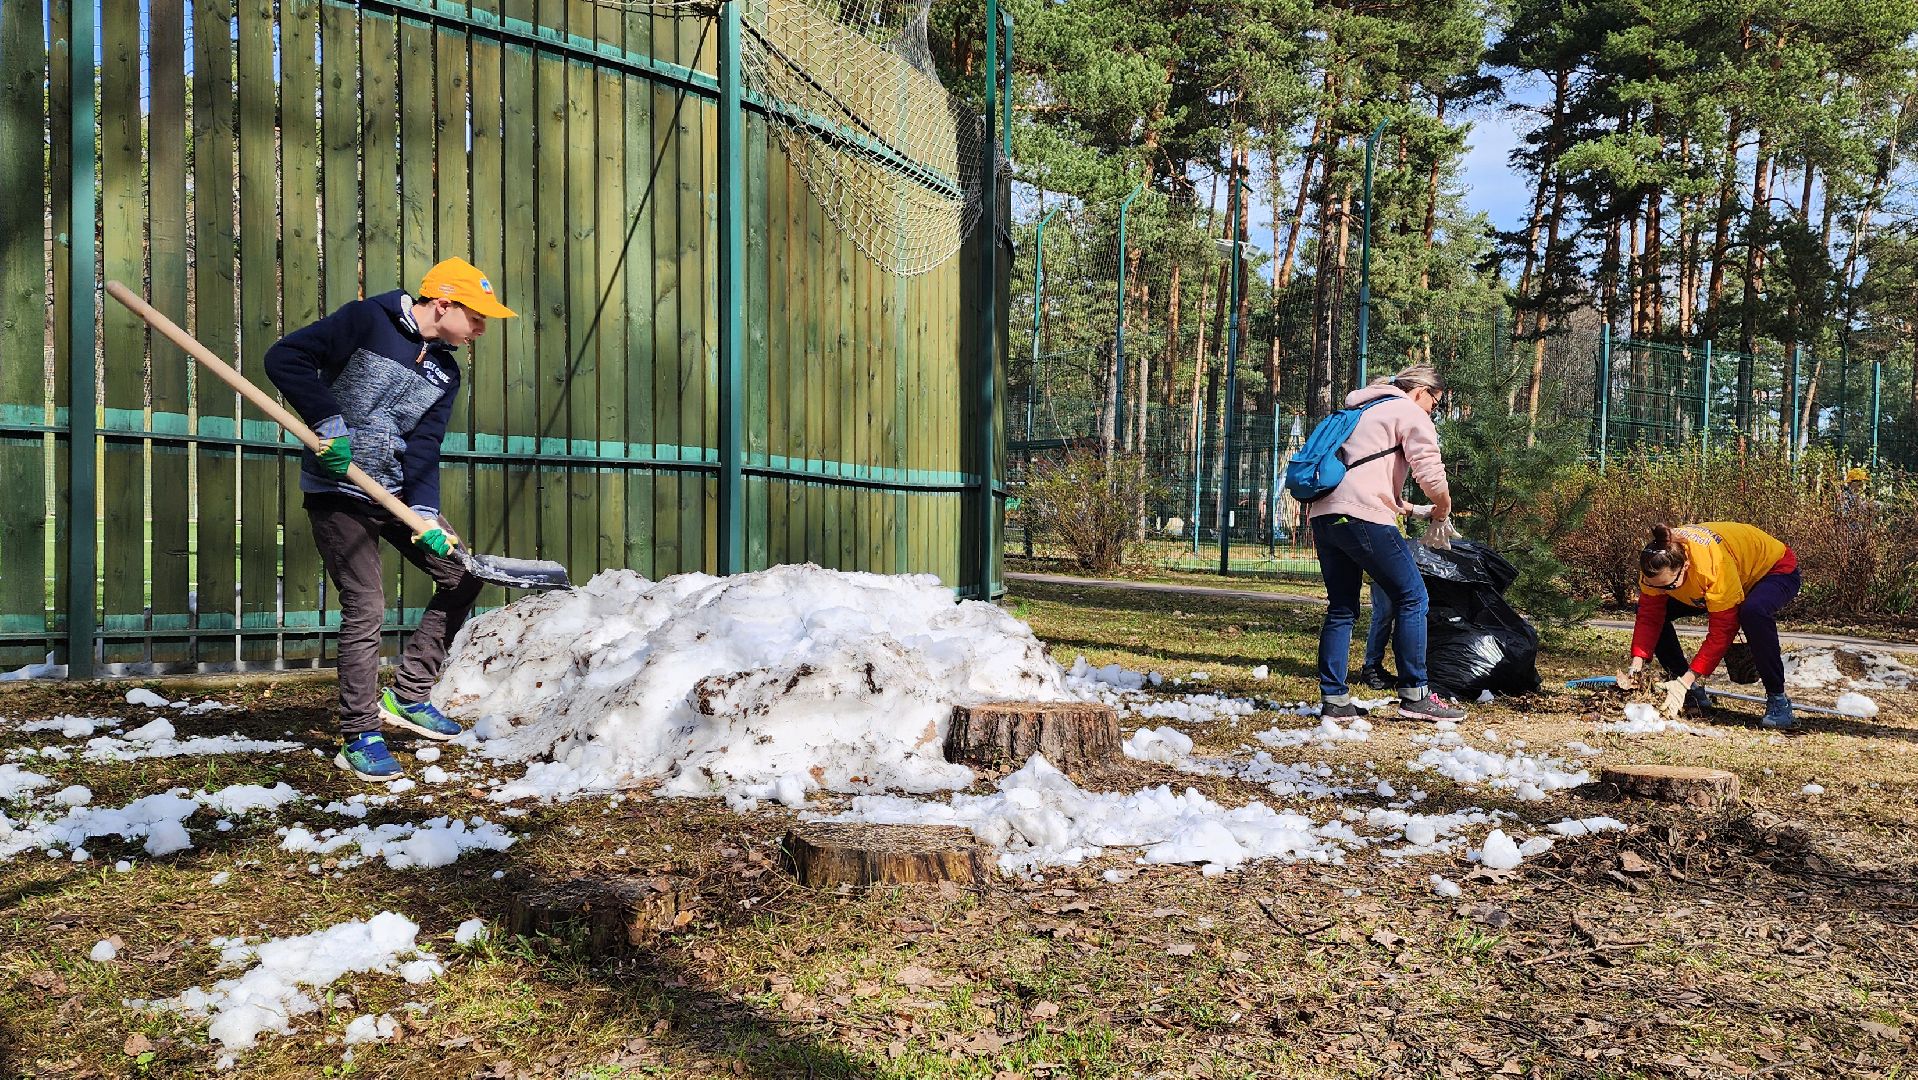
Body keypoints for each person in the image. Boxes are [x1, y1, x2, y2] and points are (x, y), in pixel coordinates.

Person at [264, 257, 518, 780]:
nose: (480, 329)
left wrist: (424, 513)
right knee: (366, 605)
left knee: (462, 575)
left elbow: (424, 444)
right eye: (475, 316)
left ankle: (408, 695)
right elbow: (285, 357)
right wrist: (327, 424)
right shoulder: (366, 322)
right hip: (339, 489)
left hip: (396, 494)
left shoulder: (445, 372)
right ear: (443, 303)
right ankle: (359, 732)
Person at [1308, 365, 1466, 721]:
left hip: (1325, 516)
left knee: (1342, 607)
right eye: (1435, 403)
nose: (1432, 411)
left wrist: (1416, 510)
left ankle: (1335, 700)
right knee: (1413, 596)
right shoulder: (1406, 411)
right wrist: (1443, 507)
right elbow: (1429, 469)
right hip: (1363, 517)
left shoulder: (1359, 409)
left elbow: (1359, 476)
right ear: (1421, 391)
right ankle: (1416, 694)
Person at [1618, 522, 1801, 730]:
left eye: (1669, 586)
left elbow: (1722, 631)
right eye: (1655, 586)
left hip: (1774, 569)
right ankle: (1690, 691)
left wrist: (1685, 680)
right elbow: (1649, 616)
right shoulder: (1655, 566)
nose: (1662, 591)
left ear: (1685, 566)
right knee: (1657, 612)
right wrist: (1636, 664)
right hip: (1727, 576)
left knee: (1753, 612)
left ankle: (1778, 700)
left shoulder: (1712, 567)